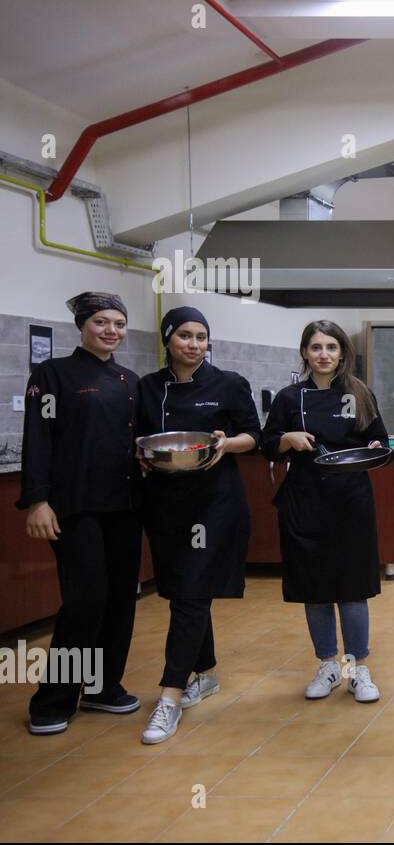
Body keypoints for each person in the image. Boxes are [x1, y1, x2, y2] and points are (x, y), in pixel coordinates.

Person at [135, 307, 261, 745]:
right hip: (166, 504)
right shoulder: (147, 388)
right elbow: (138, 440)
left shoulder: (229, 384)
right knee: (181, 590)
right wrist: (140, 454)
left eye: (202, 337)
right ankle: (204, 673)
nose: (194, 344)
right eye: (185, 335)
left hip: (215, 504)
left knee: (189, 591)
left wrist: (227, 443)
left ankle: (169, 696)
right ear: (168, 339)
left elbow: (253, 436)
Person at [18, 292, 142, 734]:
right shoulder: (52, 375)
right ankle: (52, 699)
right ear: (83, 326)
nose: (112, 331)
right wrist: (38, 499)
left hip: (125, 507)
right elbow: (39, 438)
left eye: (119, 324)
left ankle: (103, 687)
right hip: (75, 508)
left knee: (121, 598)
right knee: (85, 600)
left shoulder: (130, 380)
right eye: (102, 322)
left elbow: (139, 443)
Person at [261, 321, 389, 704]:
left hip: (351, 502)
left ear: (342, 353)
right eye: (316, 347)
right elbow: (266, 445)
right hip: (304, 503)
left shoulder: (359, 393)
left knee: (352, 589)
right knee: (314, 588)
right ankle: (327, 665)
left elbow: (377, 440)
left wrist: (375, 445)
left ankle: (356, 669)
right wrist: (286, 438)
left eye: (331, 347)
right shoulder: (288, 398)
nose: (323, 354)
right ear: (305, 352)